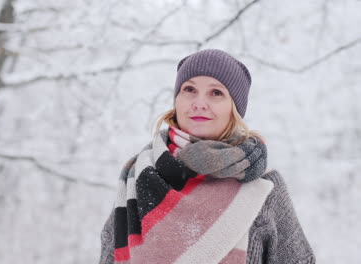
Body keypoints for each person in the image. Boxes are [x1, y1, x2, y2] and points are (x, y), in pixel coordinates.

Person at [99, 49, 315, 264]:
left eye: (216, 93)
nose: (199, 102)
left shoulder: (263, 190)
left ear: (235, 110)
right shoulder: (137, 179)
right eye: (189, 89)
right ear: (177, 101)